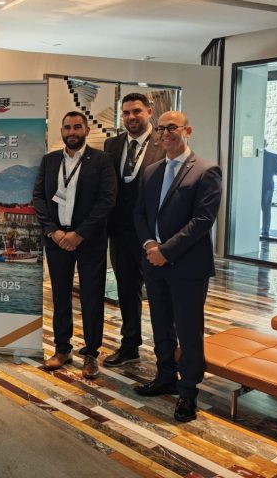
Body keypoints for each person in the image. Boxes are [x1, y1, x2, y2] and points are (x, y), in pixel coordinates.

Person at [133, 111, 222, 423]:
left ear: (187, 130)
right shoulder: (151, 171)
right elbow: (140, 214)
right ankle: (165, 377)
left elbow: (202, 221)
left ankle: (188, 391)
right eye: (161, 128)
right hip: (154, 263)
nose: (165, 133)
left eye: (172, 127)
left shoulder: (206, 170)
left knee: (188, 330)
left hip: (187, 266)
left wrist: (166, 251)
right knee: (161, 325)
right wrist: (150, 245)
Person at [32, 111, 116, 379]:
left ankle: (91, 354)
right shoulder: (49, 160)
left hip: (89, 241)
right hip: (57, 240)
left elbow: (107, 200)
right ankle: (62, 349)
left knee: (92, 297)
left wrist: (79, 234)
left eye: (77, 127)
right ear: (61, 131)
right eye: (67, 127)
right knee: (60, 296)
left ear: (86, 130)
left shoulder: (102, 160)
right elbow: (38, 197)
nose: (72, 132)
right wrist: (53, 231)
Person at [103, 93, 165, 367]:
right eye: (126, 112)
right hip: (119, 232)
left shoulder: (164, 142)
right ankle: (130, 346)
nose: (131, 117)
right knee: (127, 291)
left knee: (160, 292)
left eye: (137, 111)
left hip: (153, 234)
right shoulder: (112, 144)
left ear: (149, 112)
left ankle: (166, 353)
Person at [261, 142, 277, 238]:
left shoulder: (253, 157)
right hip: (267, 185)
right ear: (266, 144)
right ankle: (265, 231)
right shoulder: (273, 156)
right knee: (266, 209)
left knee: (251, 208)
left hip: (253, 186)